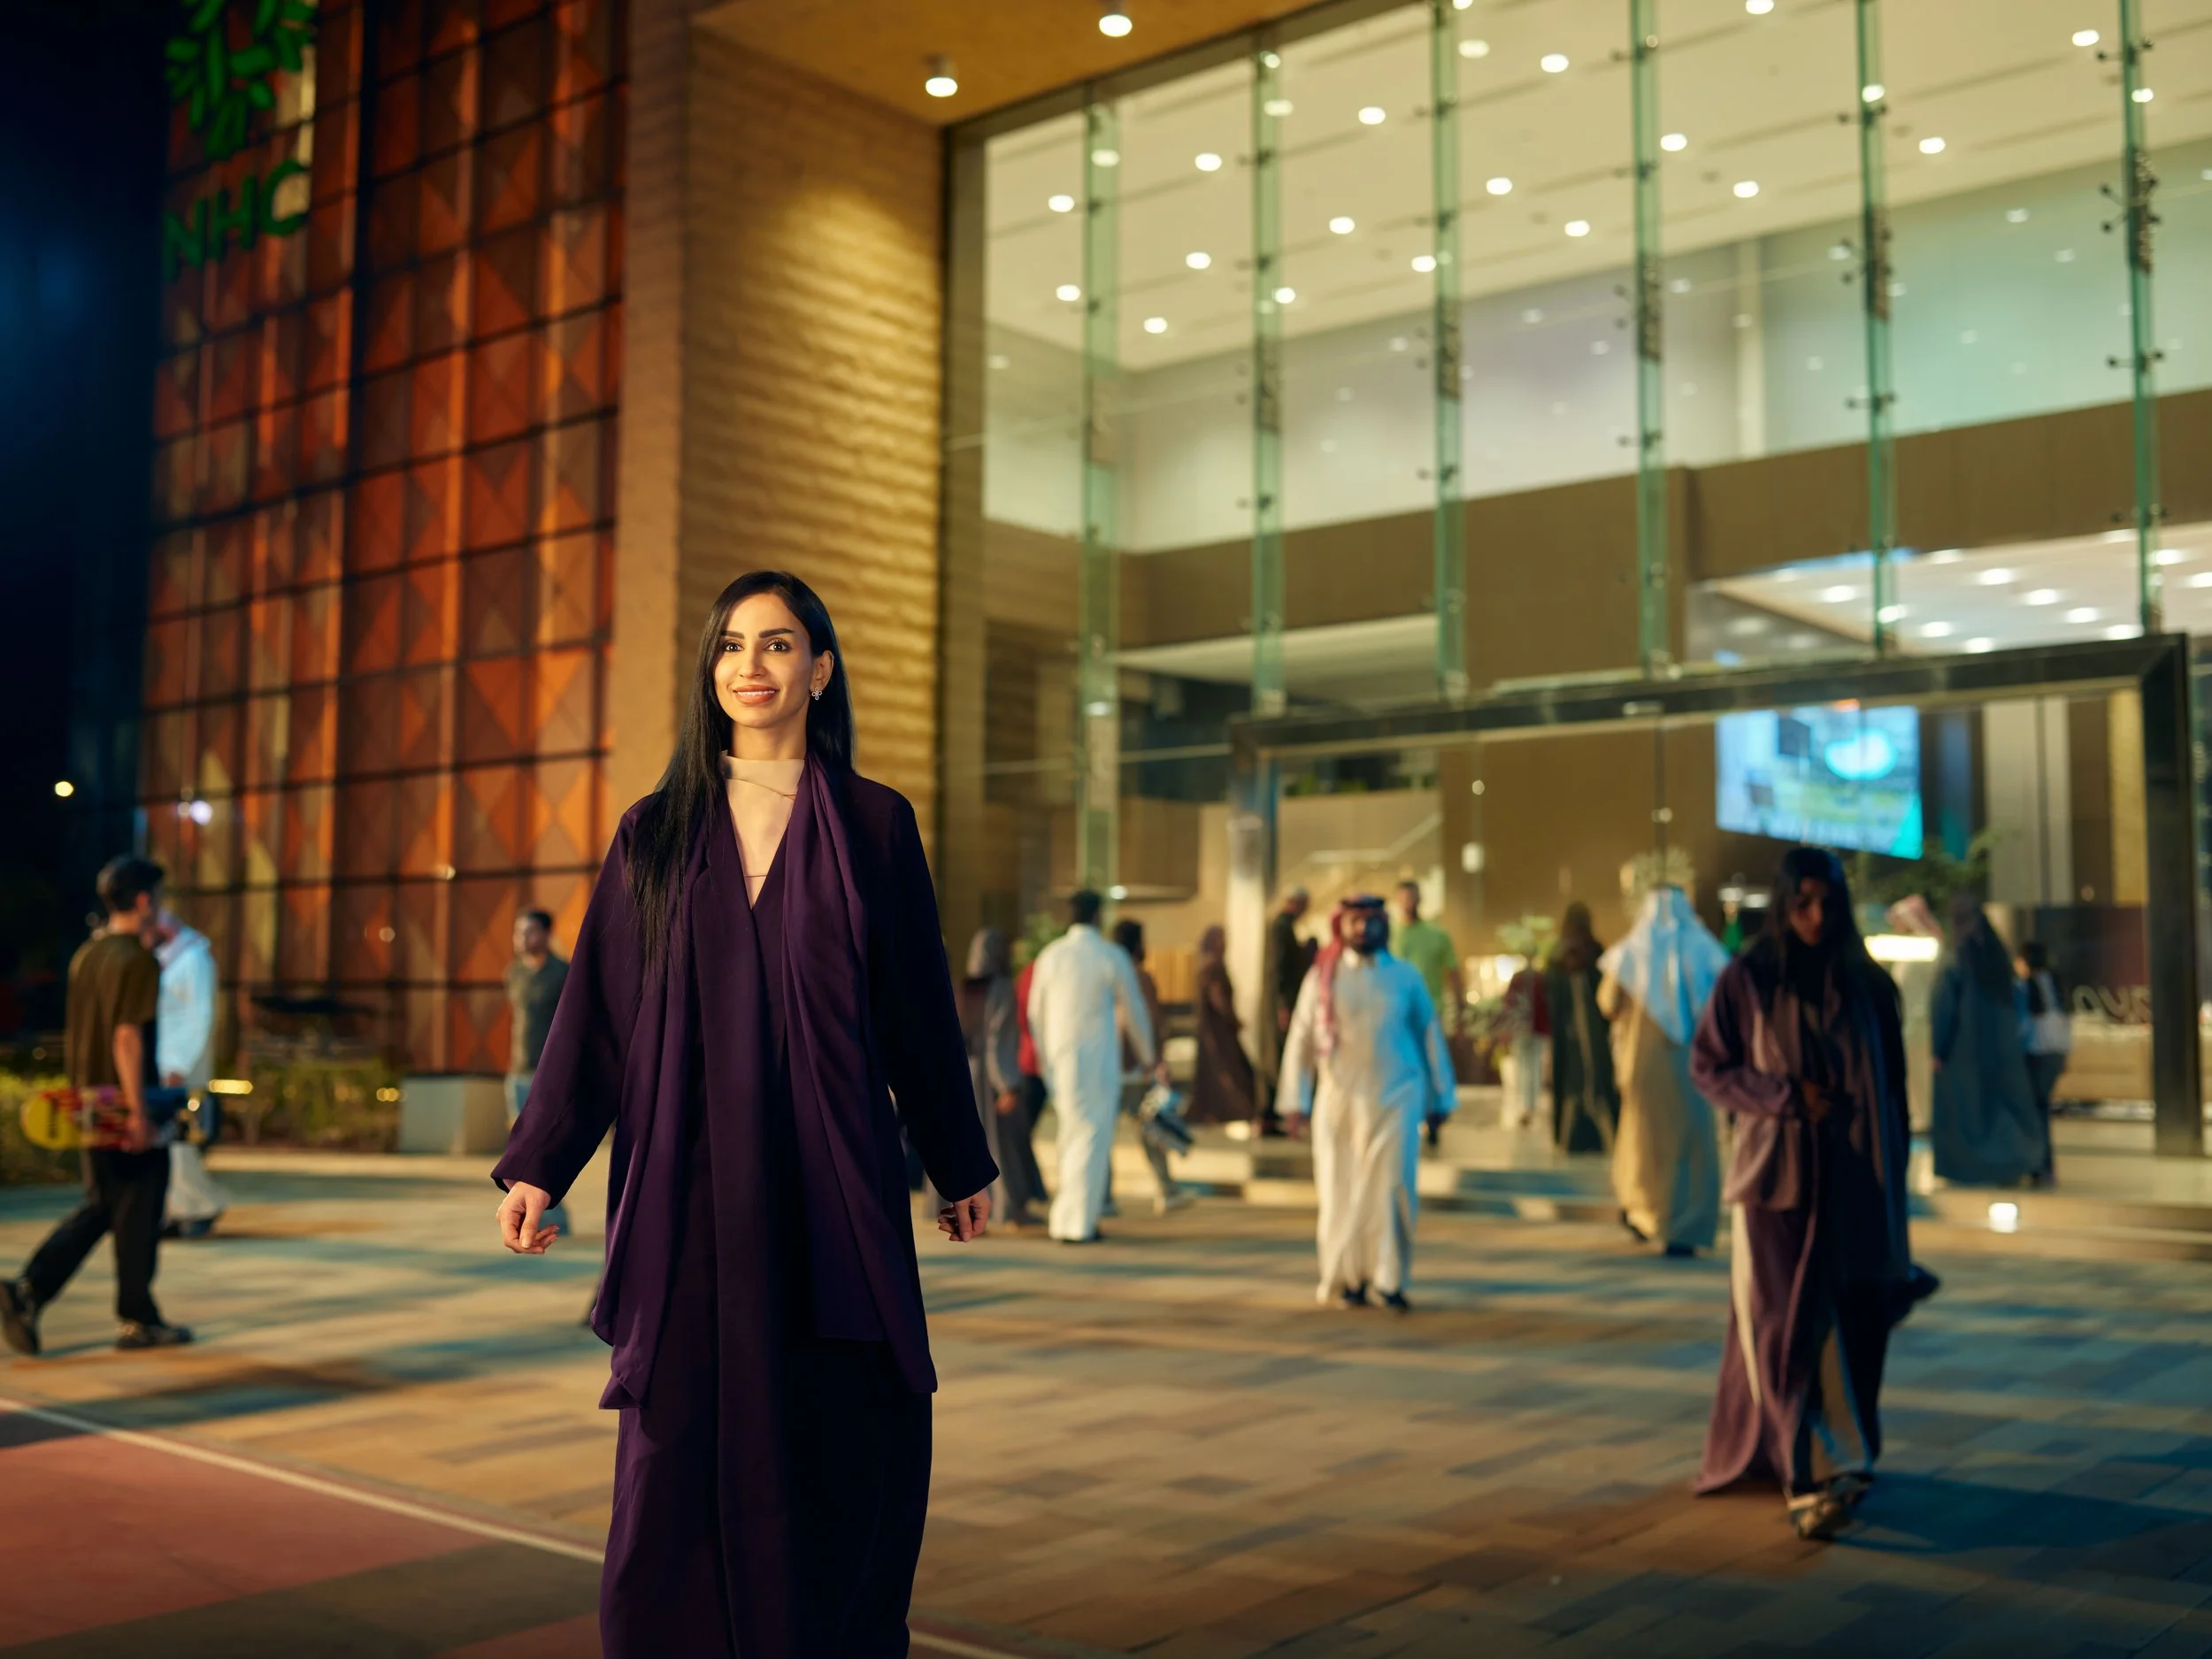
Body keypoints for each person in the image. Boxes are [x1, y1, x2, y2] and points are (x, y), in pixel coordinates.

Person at [490, 571, 996, 1659]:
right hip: (688, 1188)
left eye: (776, 645)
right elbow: (599, 1019)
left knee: (842, 1428)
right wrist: (542, 1164)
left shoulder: (872, 825)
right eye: (730, 646)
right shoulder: (656, 830)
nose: (750, 667)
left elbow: (915, 1007)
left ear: (821, 668)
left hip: (833, 1187)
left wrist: (960, 1161)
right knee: (680, 1441)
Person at [1690, 845, 1932, 1543]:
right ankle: (1806, 1474)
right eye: (1802, 903)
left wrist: (1895, 1187)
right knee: (1784, 1327)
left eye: (1828, 902)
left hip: (1860, 1177)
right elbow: (1710, 1065)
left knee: (1855, 1317)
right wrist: (1783, 1096)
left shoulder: (1868, 985)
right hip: (1778, 1182)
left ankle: (1844, 1454)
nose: (1817, 917)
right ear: (1783, 903)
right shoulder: (1750, 978)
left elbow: (1893, 1092)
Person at [1, 856, 193, 1356]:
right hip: (121, 1106)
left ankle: (32, 1292)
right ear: (146, 901)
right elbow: (127, 1038)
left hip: (87, 1105)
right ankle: (133, 1317)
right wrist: (137, 1114)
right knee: (139, 1206)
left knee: (108, 1207)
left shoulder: (87, 956)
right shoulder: (137, 960)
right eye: (161, 897)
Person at [1279, 895, 1455, 1311]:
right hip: (1339, 1101)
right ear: (1342, 926)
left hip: (1398, 1098)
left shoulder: (1406, 978)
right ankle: (1348, 1278)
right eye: (1355, 921)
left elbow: (1430, 1035)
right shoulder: (1323, 978)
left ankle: (1389, 1279)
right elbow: (1302, 1039)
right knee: (1341, 1191)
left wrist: (1441, 1095)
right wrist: (1294, 1101)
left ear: (1384, 926)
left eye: (1371, 921)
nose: (1363, 930)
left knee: (1392, 1189)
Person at [1597, 887, 1724, 1257]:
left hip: (1644, 1067)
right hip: (1693, 1067)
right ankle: (1686, 1227)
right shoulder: (1703, 948)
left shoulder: (1630, 952)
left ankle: (1645, 1215)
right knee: (1691, 1145)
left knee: (1643, 1143)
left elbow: (1607, 1002)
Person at [1028, 891, 1154, 1242]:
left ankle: (1066, 1218)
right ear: (1098, 917)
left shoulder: (1050, 956)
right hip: (1097, 1060)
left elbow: (1035, 1013)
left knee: (1071, 1133)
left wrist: (1044, 1057)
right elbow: (1134, 1011)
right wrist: (1149, 1057)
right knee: (1093, 1136)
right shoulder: (1109, 955)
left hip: (1059, 1058)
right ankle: (1079, 1222)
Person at [1931, 894, 2049, 1187]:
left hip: (1964, 1053)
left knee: (1968, 1114)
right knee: (2002, 1111)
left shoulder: (1955, 958)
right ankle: (2018, 1163)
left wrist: (1939, 1049)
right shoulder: (1998, 958)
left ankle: (1971, 1169)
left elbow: (1944, 1006)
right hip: (2003, 1052)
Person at [152, 903, 228, 1240]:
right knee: (170, 1142)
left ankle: (199, 1205)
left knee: (181, 1141)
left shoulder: (193, 958)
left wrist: (178, 1066)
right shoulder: (172, 958)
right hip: (169, 1065)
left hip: (181, 1067)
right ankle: (177, 1209)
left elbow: (200, 1017)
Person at [962, 927, 1045, 1227]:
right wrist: (1006, 1084)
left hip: (965, 1077)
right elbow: (999, 1040)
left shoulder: (963, 989)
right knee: (1002, 1146)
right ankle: (1011, 1209)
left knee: (970, 1147)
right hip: (992, 1080)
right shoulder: (1000, 988)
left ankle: (973, 1214)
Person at [1111, 918, 1188, 1213]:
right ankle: (1167, 1189)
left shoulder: (1109, 974)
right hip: (1135, 1069)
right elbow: (1153, 1022)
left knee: (1105, 1133)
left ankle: (1104, 1195)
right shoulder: (1140, 978)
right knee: (1150, 1129)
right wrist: (1157, 1060)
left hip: (1109, 1065)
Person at [503, 908, 572, 1236]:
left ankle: (555, 1217)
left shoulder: (563, 973)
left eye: (528, 931)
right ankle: (530, 1217)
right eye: (518, 932)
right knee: (520, 1153)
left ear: (545, 933)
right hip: (517, 1069)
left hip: (548, 1075)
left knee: (544, 1148)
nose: (521, 939)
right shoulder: (513, 973)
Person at [1546, 902, 1617, 1154]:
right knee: (1571, 1088)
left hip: (1594, 1035)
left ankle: (1610, 1142)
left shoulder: (1596, 953)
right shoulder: (1558, 956)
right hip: (1569, 1037)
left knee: (1600, 1086)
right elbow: (1552, 996)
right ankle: (1565, 1141)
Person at [1256, 887, 1316, 1135]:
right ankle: (1269, 1116)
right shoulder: (1280, 927)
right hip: (1279, 1005)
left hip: (1281, 1003)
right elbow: (1279, 968)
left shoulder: (1283, 927)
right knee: (1276, 1057)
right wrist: (1282, 1005)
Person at [1187, 925, 1256, 1125]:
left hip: (1214, 1030)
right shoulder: (1213, 967)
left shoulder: (1208, 965)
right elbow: (1217, 997)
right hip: (1218, 1031)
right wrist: (1231, 1018)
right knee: (1230, 1072)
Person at [2016, 940, 2069, 1181]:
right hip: (2057, 1052)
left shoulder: (2027, 986)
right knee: (2041, 1108)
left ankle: (2039, 1164)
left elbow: (2024, 1025)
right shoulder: (2055, 984)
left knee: (2035, 1110)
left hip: (2037, 1052)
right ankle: (2042, 1166)